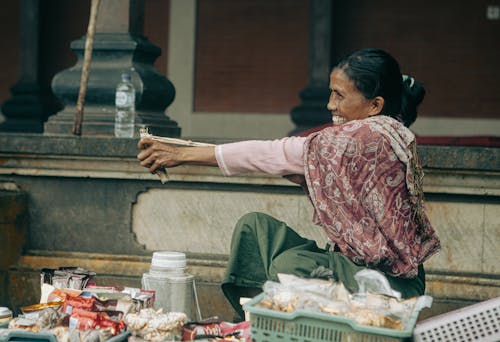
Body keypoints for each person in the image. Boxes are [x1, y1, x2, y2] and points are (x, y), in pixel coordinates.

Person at [137, 48, 441, 320]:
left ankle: (280, 324)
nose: (330, 104)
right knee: (254, 228)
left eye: (339, 95)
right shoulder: (380, 131)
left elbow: (275, 153)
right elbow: (287, 161)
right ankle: (256, 321)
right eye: (331, 93)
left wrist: (180, 154)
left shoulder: (364, 138)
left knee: (292, 264)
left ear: (375, 104)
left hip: (387, 283)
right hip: (352, 265)